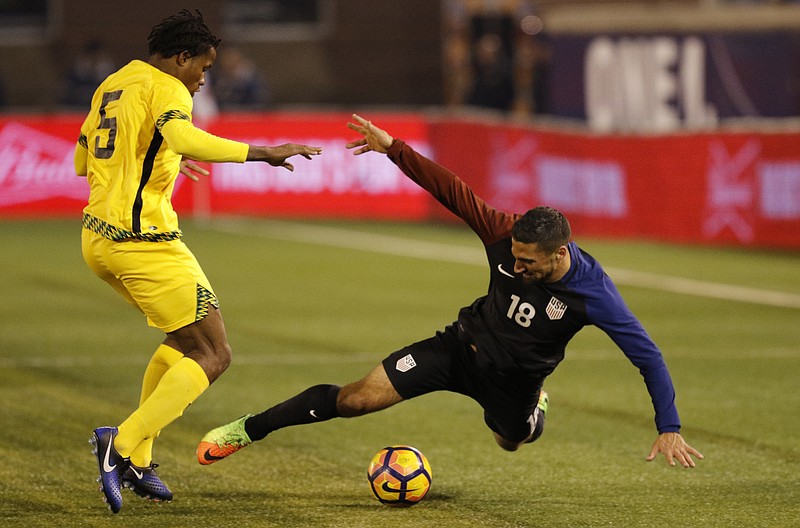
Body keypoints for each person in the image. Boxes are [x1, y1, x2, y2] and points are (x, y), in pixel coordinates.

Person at [196, 114, 703, 471]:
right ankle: (247, 430)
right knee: (355, 400)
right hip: (458, 349)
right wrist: (394, 148)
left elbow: (649, 357)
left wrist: (669, 424)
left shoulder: (595, 294)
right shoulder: (504, 233)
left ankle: (534, 412)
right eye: (516, 256)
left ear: (560, 252)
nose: (517, 264)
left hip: (514, 383)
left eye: (529, 261)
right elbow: (451, 189)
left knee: (510, 440)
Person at [74, 10, 321, 514]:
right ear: (181, 57)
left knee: (182, 342)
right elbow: (185, 135)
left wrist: (160, 156)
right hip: (144, 240)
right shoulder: (169, 86)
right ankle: (119, 444)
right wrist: (262, 153)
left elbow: (83, 160)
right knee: (214, 353)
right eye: (202, 69)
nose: (203, 79)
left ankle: (138, 459)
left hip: (97, 240)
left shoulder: (114, 83)